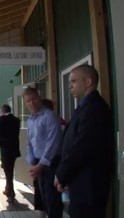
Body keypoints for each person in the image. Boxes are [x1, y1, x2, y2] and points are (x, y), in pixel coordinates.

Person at [54, 64, 114, 218]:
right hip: (81, 182)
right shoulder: (86, 106)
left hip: (89, 185)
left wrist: (61, 174)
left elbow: (81, 147)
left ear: (88, 82)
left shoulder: (94, 108)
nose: (70, 86)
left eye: (73, 81)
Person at [23, 86, 63, 218]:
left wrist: (40, 165)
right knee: (43, 200)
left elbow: (53, 143)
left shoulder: (50, 116)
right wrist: (32, 163)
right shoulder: (30, 120)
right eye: (28, 101)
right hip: (38, 164)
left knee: (52, 201)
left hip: (51, 163)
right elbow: (30, 143)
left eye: (34, 99)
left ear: (39, 98)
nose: (32, 103)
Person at [0, 104, 21, 203]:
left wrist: (1, 144)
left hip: (5, 149)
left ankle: (11, 193)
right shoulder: (16, 120)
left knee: (8, 171)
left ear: (3, 111)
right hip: (14, 149)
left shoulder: (3, 119)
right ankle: (7, 189)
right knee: (10, 169)